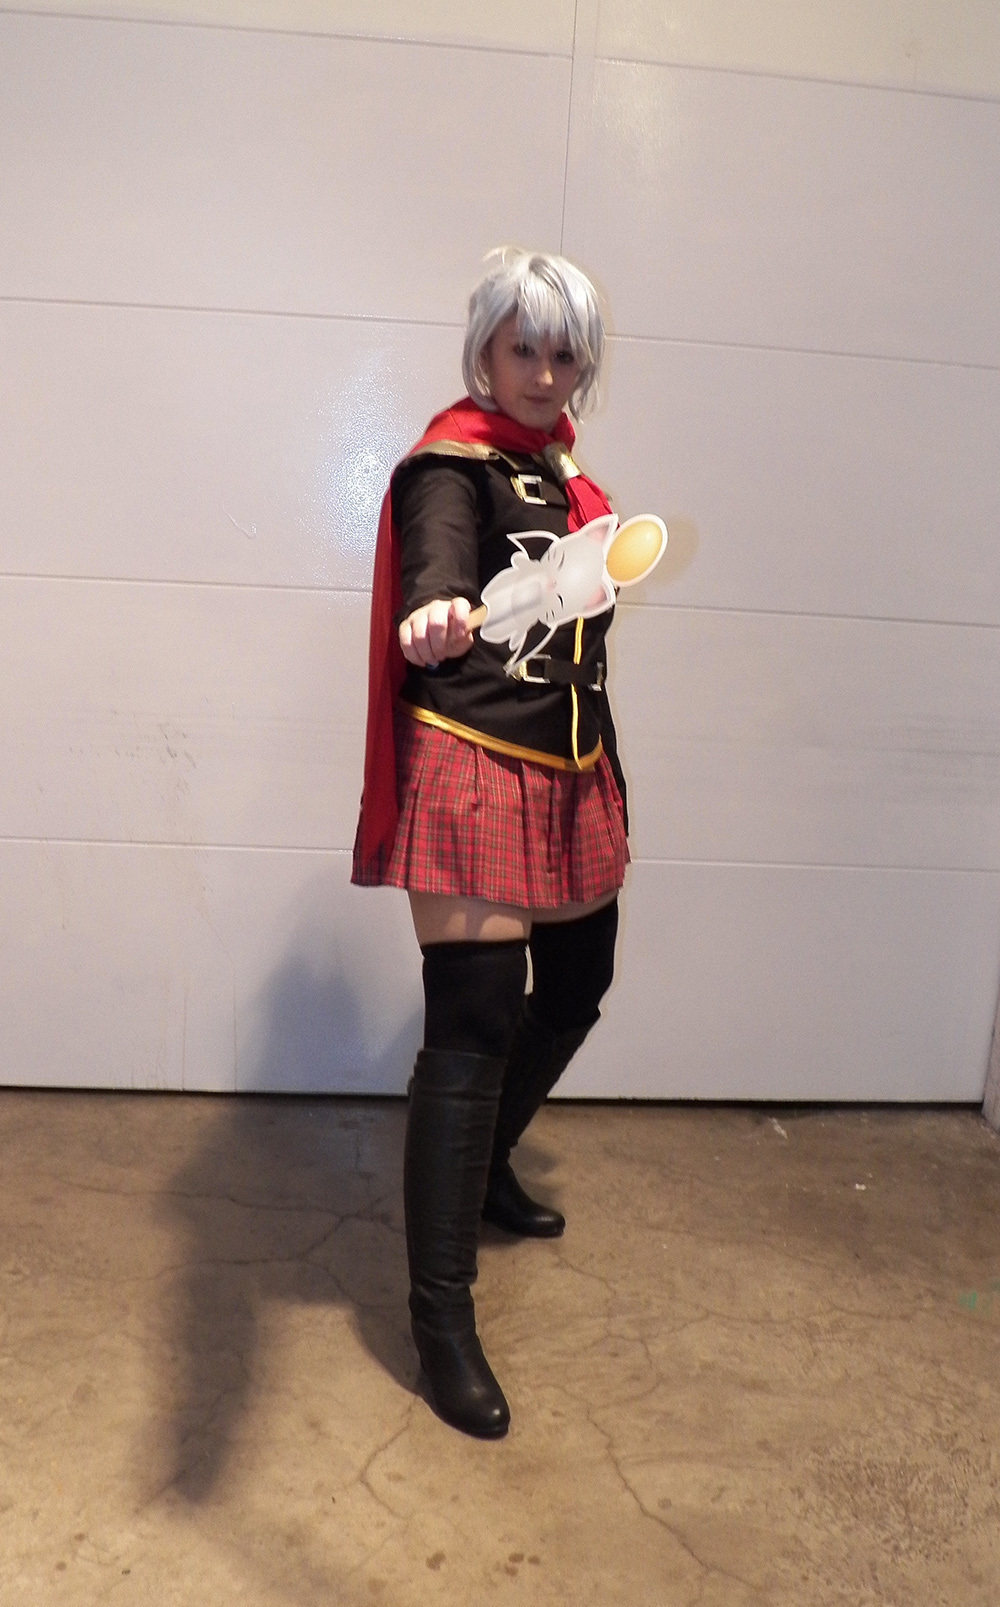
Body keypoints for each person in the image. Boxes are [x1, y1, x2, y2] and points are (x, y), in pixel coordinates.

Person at [352, 247, 628, 1438]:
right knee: (470, 1022)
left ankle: (488, 1161)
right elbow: (437, 552)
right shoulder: (451, 462)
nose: (544, 370)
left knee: (575, 981)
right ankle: (441, 1319)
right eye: (525, 347)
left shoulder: (565, 474)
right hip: (469, 755)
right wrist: (431, 606)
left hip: (568, 761)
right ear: (486, 349)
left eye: (564, 352)